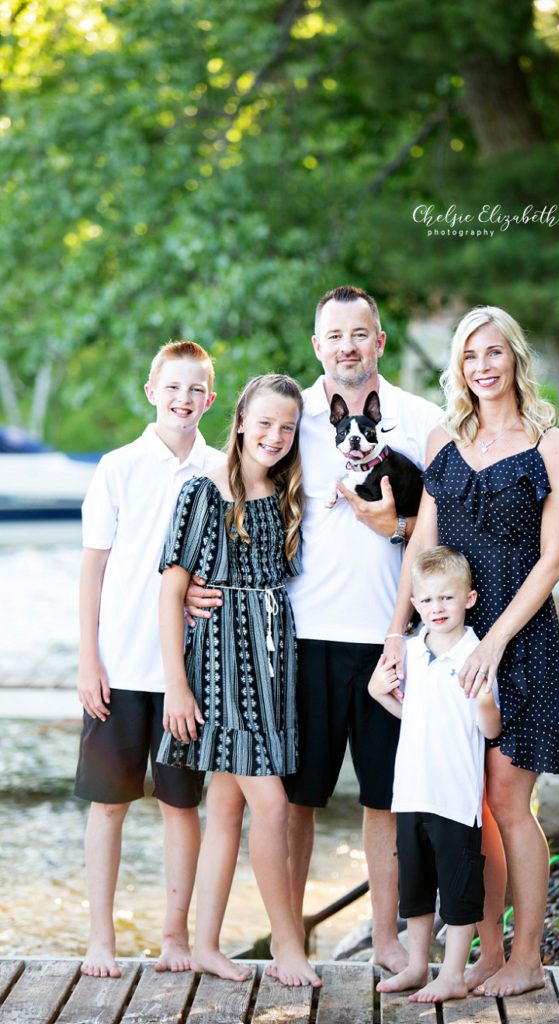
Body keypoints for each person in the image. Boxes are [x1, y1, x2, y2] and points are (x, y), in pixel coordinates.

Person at [186, 285, 442, 972]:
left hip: (391, 643)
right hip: (294, 642)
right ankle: (291, 939)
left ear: (379, 342)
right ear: (316, 345)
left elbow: (454, 522)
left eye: (360, 334)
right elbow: (222, 478)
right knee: (296, 800)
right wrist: (187, 583)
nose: (347, 346)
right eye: (334, 336)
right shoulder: (292, 415)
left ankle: (385, 938)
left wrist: (402, 526)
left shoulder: (421, 419)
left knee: (385, 799)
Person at [383, 305, 559, 997]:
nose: (483, 366)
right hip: (445, 639)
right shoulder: (444, 439)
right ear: (459, 367)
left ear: (514, 359)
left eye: (494, 353)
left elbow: (553, 559)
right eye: (470, 356)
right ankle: (486, 954)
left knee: (505, 799)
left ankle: (527, 957)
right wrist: (397, 637)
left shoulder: (552, 446)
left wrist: (493, 642)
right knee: (465, 800)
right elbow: (422, 548)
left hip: (516, 640)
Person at [157, 374, 321, 987]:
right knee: (272, 805)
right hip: (221, 665)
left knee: (227, 806)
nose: (274, 436)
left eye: (287, 427)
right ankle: (287, 943)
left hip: (272, 667)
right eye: (265, 423)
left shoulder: (287, 497)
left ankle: (204, 943)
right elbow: (171, 593)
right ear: (240, 423)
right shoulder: (204, 494)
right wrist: (176, 683)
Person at [74, 340, 221, 978]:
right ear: (151, 392)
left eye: (196, 390)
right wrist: (88, 660)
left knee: (181, 805)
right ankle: (100, 940)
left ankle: (174, 936)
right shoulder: (117, 466)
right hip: (120, 665)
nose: (183, 399)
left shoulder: (221, 469)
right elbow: (93, 569)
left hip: (186, 675)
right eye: (173, 387)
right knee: (107, 805)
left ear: (210, 400)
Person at [369, 546, 501, 1003]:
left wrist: (484, 701)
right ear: (415, 603)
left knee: (459, 889)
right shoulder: (409, 649)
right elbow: (413, 715)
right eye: (426, 601)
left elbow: (490, 728)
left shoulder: (475, 653)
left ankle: (452, 974)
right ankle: (417, 965)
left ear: (468, 598)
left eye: (446, 598)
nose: (436, 609)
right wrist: (377, 692)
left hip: (455, 797)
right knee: (416, 887)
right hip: (411, 792)